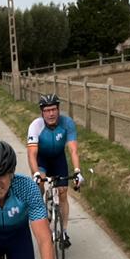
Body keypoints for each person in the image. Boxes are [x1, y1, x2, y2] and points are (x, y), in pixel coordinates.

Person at [26, 93, 84, 248]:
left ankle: (64, 232)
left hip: (58, 158)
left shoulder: (67, 123)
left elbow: (73, 150)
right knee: (39, 185)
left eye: (53, 109)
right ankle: (41, 214)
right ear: (42, 112)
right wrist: (36, 174)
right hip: (41, 159)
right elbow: (32, 153)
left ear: (58, 109)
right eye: (47, 110)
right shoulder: (35, 126)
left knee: (63, 192)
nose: (51, 114)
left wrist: (77, 171)